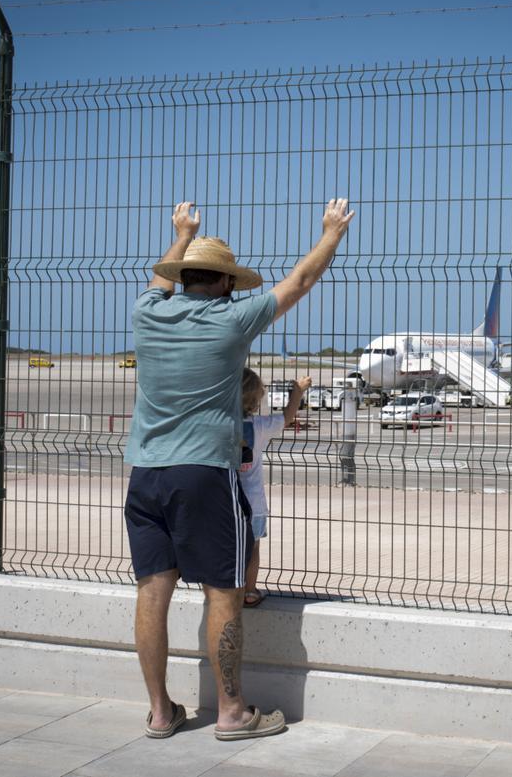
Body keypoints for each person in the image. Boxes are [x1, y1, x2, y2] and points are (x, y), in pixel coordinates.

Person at [124, 198, 354, 742]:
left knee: (152, 592)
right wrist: (330, 233)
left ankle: (160, 712)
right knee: (223, 591)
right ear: (227, 284)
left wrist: (181, 232)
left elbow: (158, 278)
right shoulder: (232, 319)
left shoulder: (147, 313)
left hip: (145, 472)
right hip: (204, 470)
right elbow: (298, 282)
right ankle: (231, 712)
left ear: (183, 278)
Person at [237, 369, 311, 608]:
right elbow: (287, 417)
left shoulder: (221, 423)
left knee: (230, 547)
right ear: (257, 400)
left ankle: (228, 590)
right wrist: (297, 393)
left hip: (226, 499)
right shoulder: (260, 425)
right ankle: (249, 591)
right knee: (253, 547)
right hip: (254, 502)